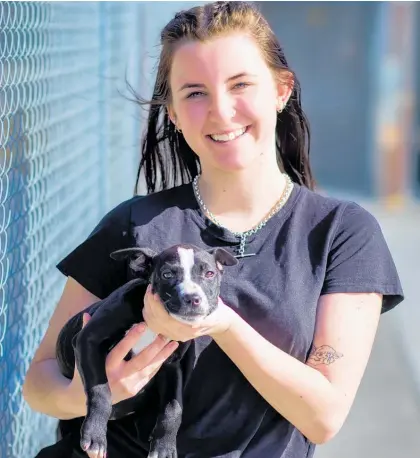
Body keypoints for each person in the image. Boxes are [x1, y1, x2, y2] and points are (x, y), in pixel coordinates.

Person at [23, 2, 404, 458]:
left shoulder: (340, 232)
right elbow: (39, 381)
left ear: (281, 90)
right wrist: (96, 393)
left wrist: (218, 322)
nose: (221, 112)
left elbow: (323, 417)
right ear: (175, 113)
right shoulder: (135, 225)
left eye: (240, 84)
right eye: (195, 93)